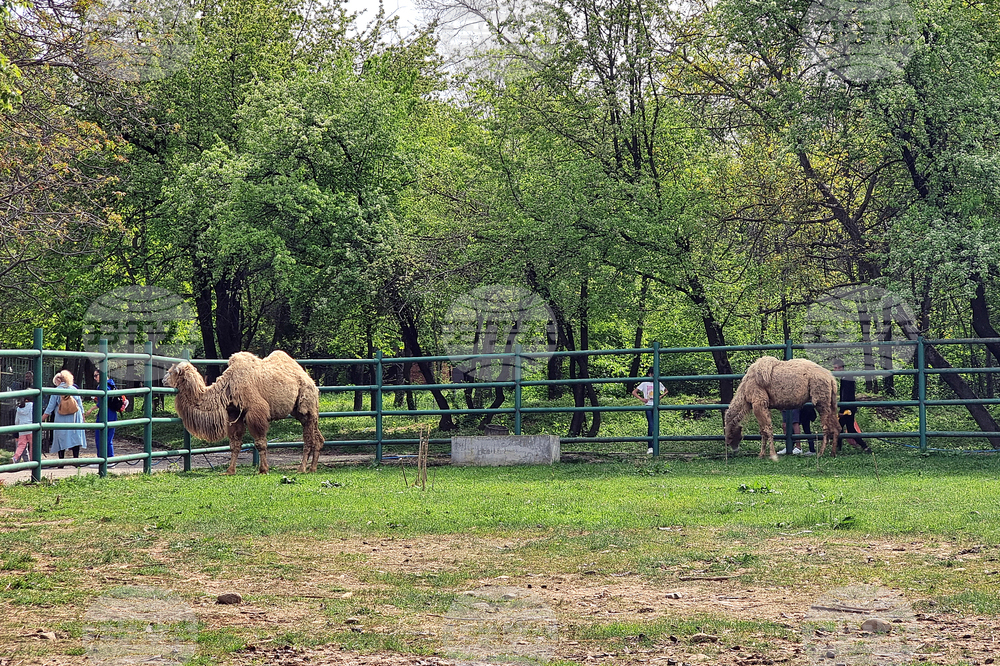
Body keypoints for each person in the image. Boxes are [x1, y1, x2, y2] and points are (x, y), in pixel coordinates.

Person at [41, 370, 87, 465]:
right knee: (75, 438)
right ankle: (76, 461)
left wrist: (41, 419)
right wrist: (83, 417)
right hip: (75, 416)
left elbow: (50, 408)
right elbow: (80, 405)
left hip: (61, 417)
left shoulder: (56, 391)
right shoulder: (74, 389)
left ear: (58, 380)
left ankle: (61, 462)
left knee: (60, 438)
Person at [831, 358, 870, 453]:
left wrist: (842, 410)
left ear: (841, 368)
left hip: (847, 409)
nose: (834, 370)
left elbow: (846, 395)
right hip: (849, 407)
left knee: (839, 428)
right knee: (848, 429)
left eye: (836, 368)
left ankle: (837, 449)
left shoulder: (846, 378)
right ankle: (864, 447)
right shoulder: (846, 377)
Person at [85, 369, 124, 458]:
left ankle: (101, 459)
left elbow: (103, 401)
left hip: (105, 414)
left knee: (100, 437)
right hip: (113, 413)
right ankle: (110, 459)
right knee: (109, 438)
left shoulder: (102, 386)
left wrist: (92, 409)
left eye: (96, 375)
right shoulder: (112, 384)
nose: (95, 378)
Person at [632, 369, 667, 454]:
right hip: (648, 406)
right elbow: (634, 392)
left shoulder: (658, 383)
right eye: (652, 374)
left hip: (656, 406)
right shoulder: (644, 383)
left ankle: (655, 446)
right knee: (651, 425)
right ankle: (650, 447)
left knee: (656, 425)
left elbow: (666, 390)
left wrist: (660, 396)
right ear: (649, 374)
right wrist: (642, 399)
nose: (654, 375)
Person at [13, 396, 33, 463]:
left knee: (21, 445)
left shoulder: (19, 408)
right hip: (31, 428)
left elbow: (16, 421)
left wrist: (17, 429)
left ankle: (15, 458)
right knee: (32, 446)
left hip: (22, 429)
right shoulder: (33, 406)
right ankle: (33, 461)